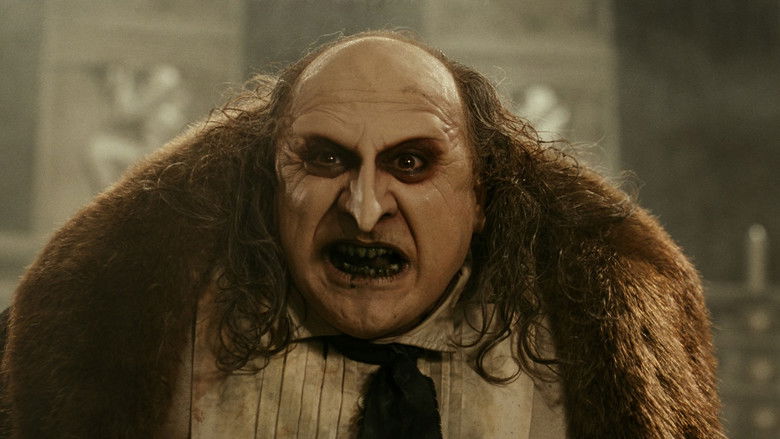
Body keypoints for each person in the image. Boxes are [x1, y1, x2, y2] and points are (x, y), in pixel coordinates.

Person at [0, 31, 724, 438]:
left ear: (481, 196)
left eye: (411, 162)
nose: (366, 208)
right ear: (270, 181)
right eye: (325, 159)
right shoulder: (157, 344)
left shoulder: (575, 354)